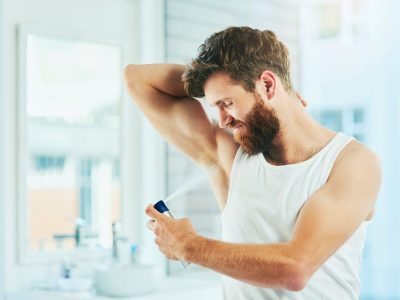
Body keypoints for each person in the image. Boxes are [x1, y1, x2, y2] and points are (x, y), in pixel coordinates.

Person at [124, 26, 381, 299]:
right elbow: (137, 79)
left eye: (227, 102)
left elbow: (295, 268)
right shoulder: (230, 157)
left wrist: (188, 246)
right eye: (215, 106)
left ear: (268, 85)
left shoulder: (353, 164)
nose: (223, 120)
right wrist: (210, 78)